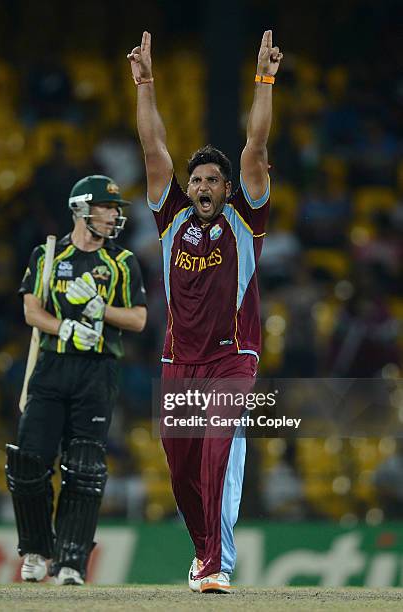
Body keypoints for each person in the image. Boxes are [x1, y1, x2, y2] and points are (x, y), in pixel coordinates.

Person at [128, 30, 282, 593]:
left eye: (212, 179)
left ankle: (215, 565)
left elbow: (256, 150)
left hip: (231, 357)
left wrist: (263, 80)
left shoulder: (246, 221)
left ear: (227, 188)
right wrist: (145, 85)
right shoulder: (170, 220)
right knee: (180, 466)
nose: (201, 185)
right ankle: (201, 552)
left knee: (217, 449)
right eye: (195, 178)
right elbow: (152, 150)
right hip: (178, 358)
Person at [5, 175, 147, 585]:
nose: (115, 216)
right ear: (82, 209)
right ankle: (35, 549)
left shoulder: (121, 262)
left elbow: (138, 318)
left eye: (116, 209)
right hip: (51, 367)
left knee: (85, 467)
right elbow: (31, 310)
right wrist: (63, 328)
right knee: (29, 461)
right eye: (107, 207)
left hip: (97, 372)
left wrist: (102, 310)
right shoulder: (47, 254)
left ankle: (71, 560)